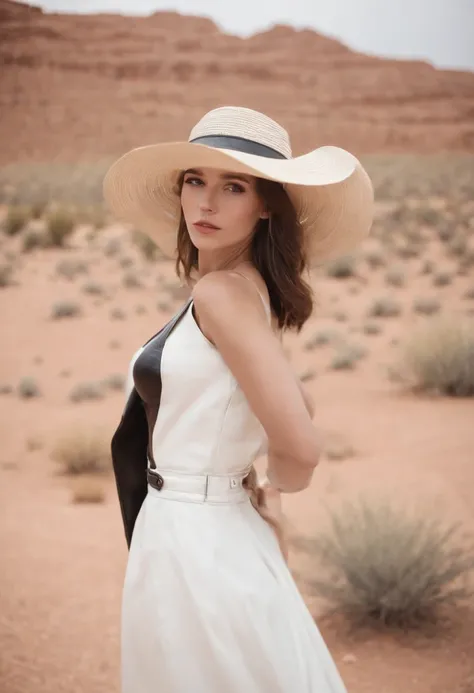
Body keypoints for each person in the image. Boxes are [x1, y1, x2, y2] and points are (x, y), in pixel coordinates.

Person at [103, 105, 373, 693]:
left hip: (197, 539)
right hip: (208, 528)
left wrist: (276, 488)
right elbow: (293, 397)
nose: (206, 203)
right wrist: (245, 487)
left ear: (267, 203)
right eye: (195, 181)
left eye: (233, 187)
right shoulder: (246, 289)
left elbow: (300, 439)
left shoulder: (222, 293)